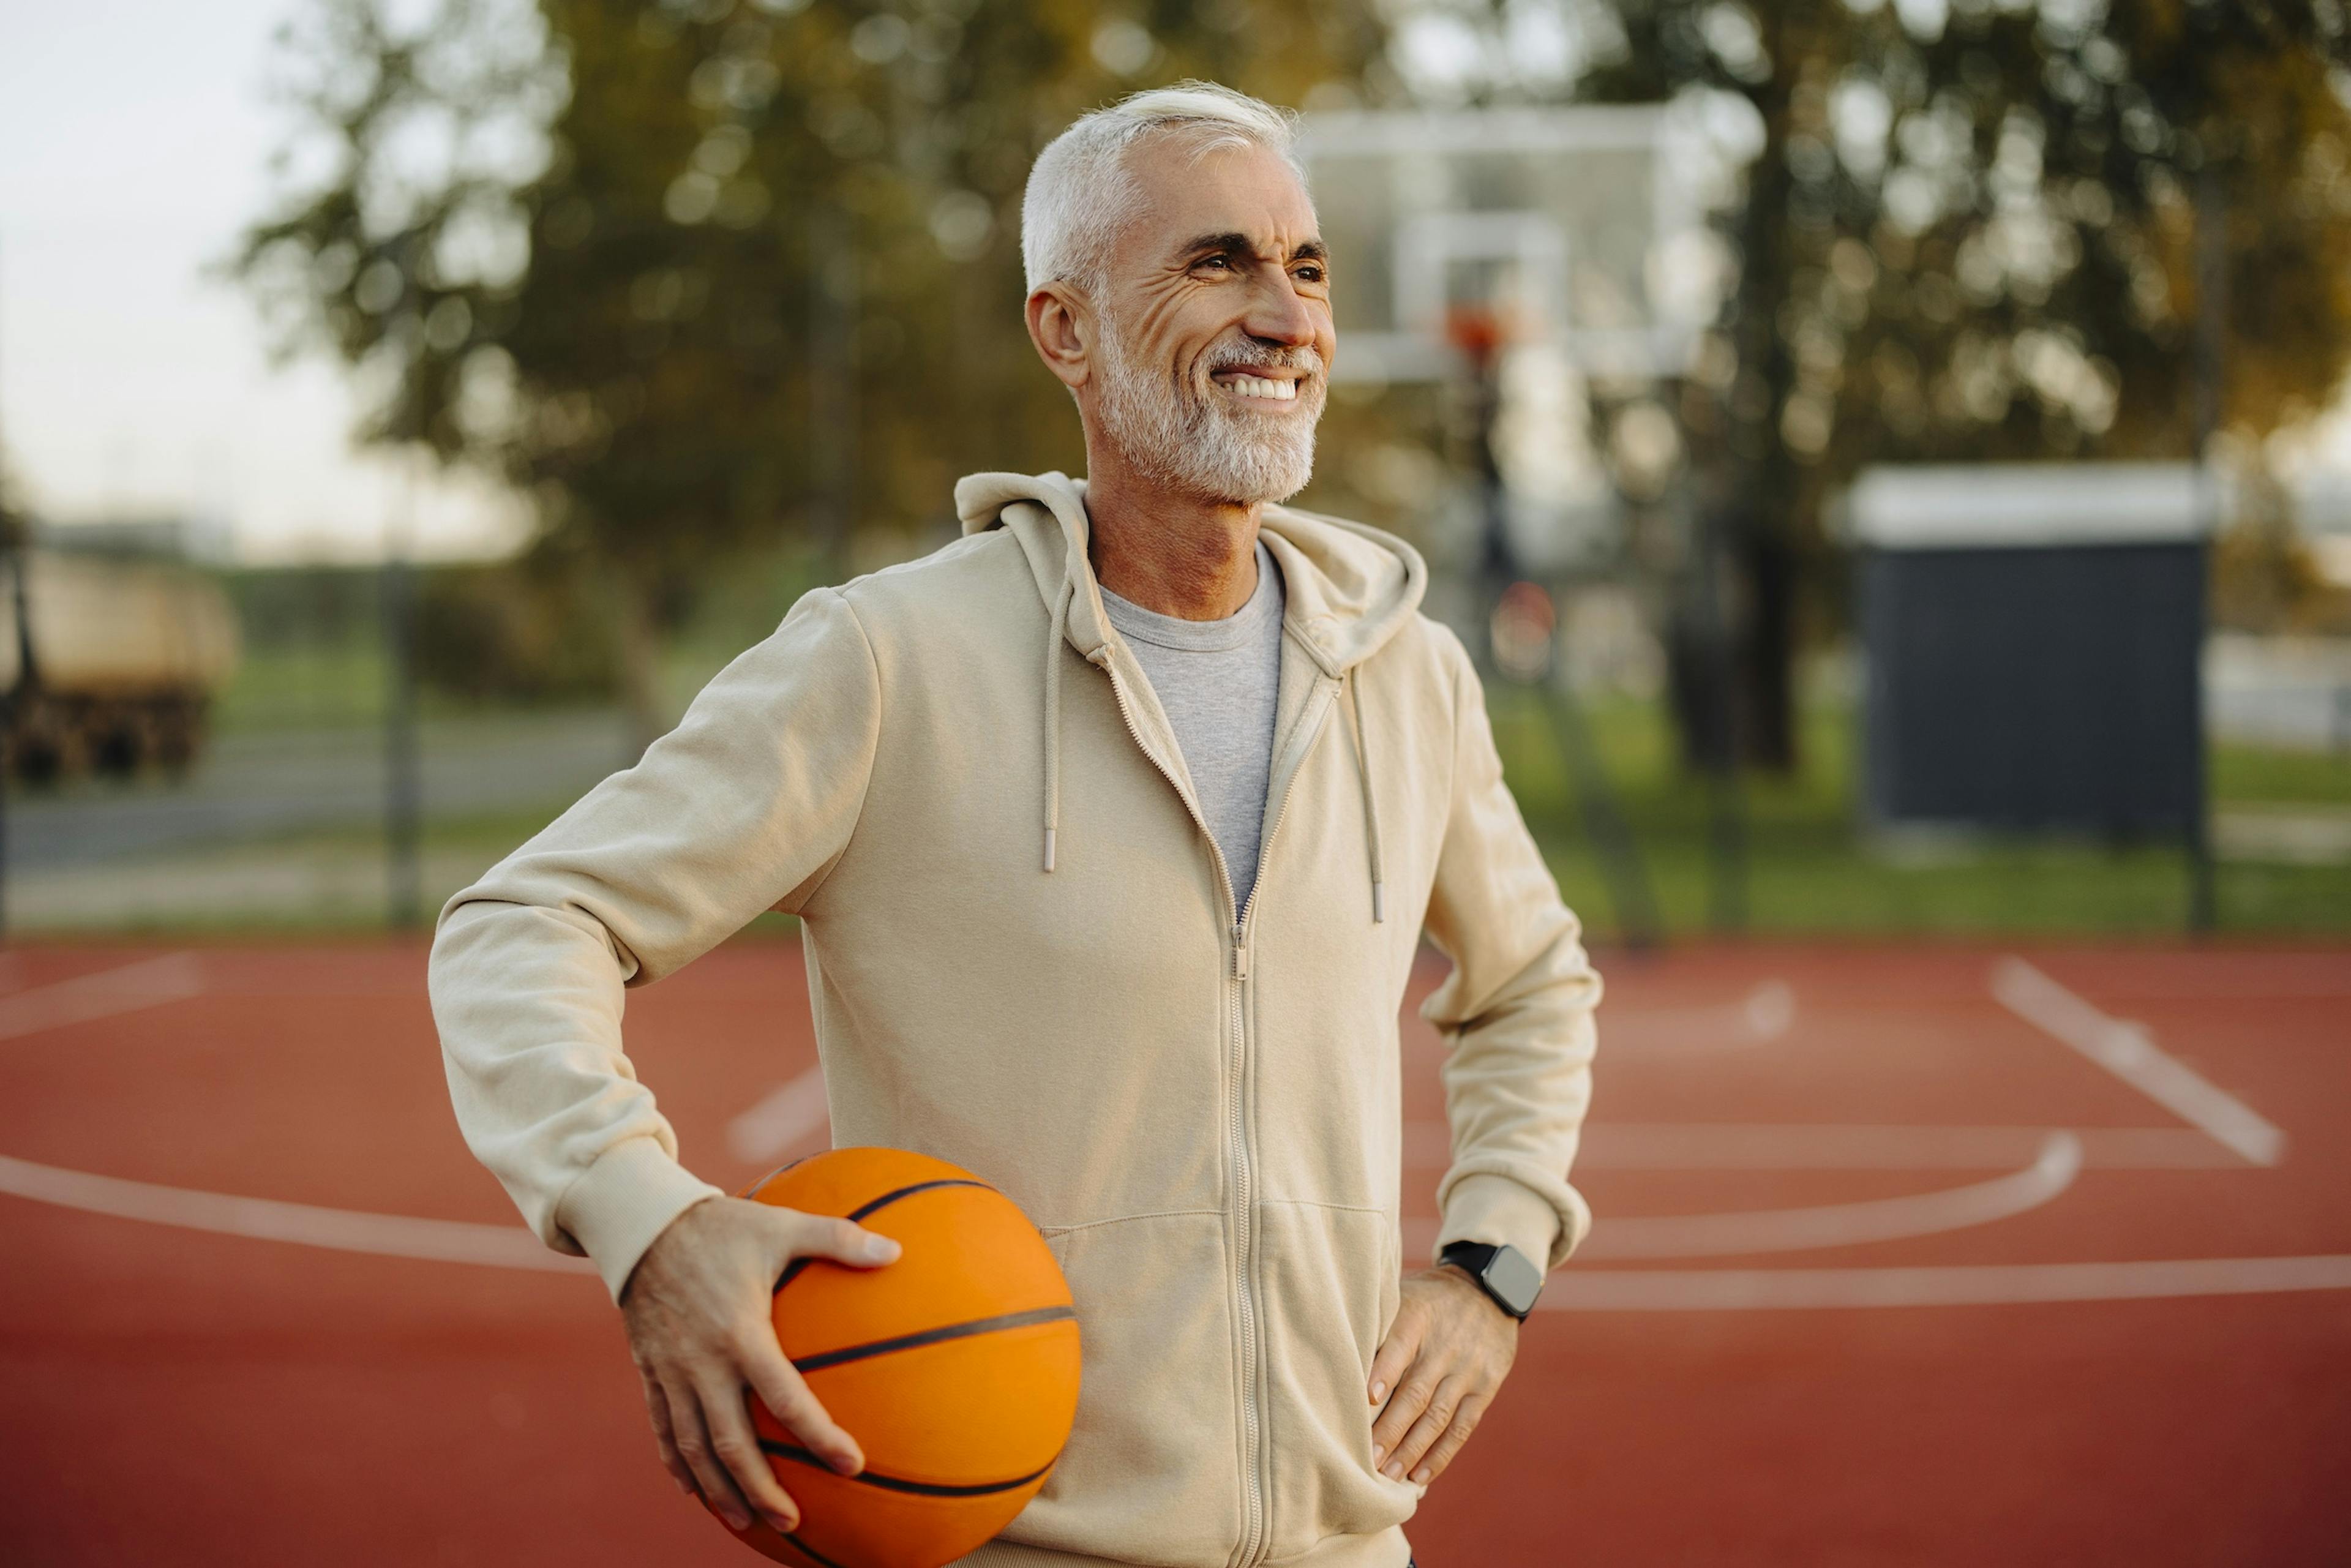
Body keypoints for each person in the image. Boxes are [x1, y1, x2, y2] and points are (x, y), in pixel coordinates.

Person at [428, 81, 1601, 1568]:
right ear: (1065, 331)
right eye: (1215, 261)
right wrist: (644, 1220)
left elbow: (1536, 983)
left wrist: (1491, 1265)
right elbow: (525, 925)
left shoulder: (1405, 671)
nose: (1283, 314)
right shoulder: (890, 661)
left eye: (1305, 268)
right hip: (1001, 1545)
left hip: (1339, 1546)